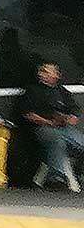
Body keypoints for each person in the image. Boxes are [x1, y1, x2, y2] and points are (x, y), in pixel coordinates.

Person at [19, 62, 83, 192]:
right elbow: (28, 114)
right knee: (57, 142)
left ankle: (79, 174)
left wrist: (70, 118)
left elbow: (75, 111)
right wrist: (49, 122)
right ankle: (58, 179)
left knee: (79, 142)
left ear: (56, 75)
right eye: (41, 71)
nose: (41, 74)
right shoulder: (32, 90)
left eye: (46, 72)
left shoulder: (62, 91)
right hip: (42, 128)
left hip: (64, 127)